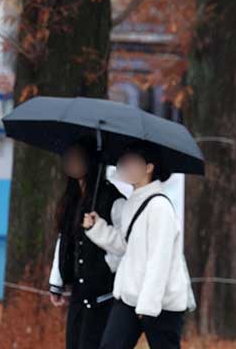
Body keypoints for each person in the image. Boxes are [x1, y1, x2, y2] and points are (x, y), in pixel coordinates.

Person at [82, 140, 195, 349]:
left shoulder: (159, 206)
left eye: (131, 161)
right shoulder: (132, 202)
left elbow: (159, 260)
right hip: (129, 297)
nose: (123, 165)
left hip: (160, 303)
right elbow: (125, 246)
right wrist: (96, 228)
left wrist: (148, 305)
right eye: (123, 161)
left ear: (149, 168)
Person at [48, 137, 126, 349]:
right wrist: (57, 280)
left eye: (78, 157)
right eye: (68, 157)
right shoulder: (71, 199)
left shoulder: (113, 200)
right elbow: (64, 240)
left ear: (91, 160)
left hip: (104, 294)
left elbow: (124, 245)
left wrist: (106, 266)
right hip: (78, 293)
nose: (71, 162)